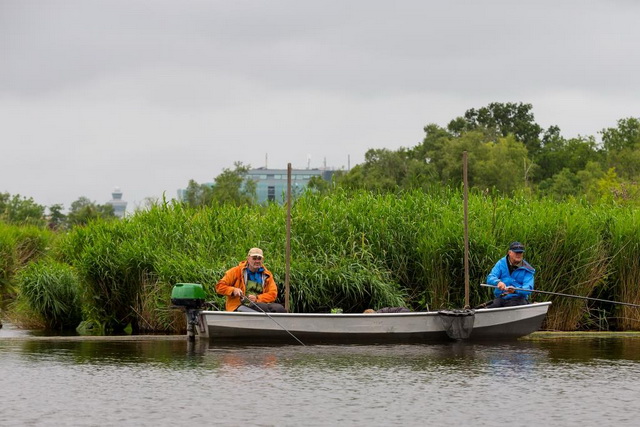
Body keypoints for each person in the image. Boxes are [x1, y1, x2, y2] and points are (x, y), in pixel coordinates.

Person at [215, 247, 287, 313]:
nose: (257, 261)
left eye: (259, 258)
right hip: (239, 305)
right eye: (254, 258)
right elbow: (219, 287)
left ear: (262, 260)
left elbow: (273, 294)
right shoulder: (236, 271)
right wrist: (233, 290)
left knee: (279, 309)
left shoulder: (267, 275)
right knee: (262, 307)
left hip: (260, 304)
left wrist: (257, 298)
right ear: (248, 259)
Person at [484, 241, 535, 308]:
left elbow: (528, 289)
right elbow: (490, 277)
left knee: (512, 304)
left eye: (520, 252)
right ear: (509, 253)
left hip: (518, 299)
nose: (519, 255)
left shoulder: (528, 269)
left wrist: (515, 290)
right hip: (501, 298)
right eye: (516, 252)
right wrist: (498, 282)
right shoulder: (501, 263)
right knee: (491, 307)